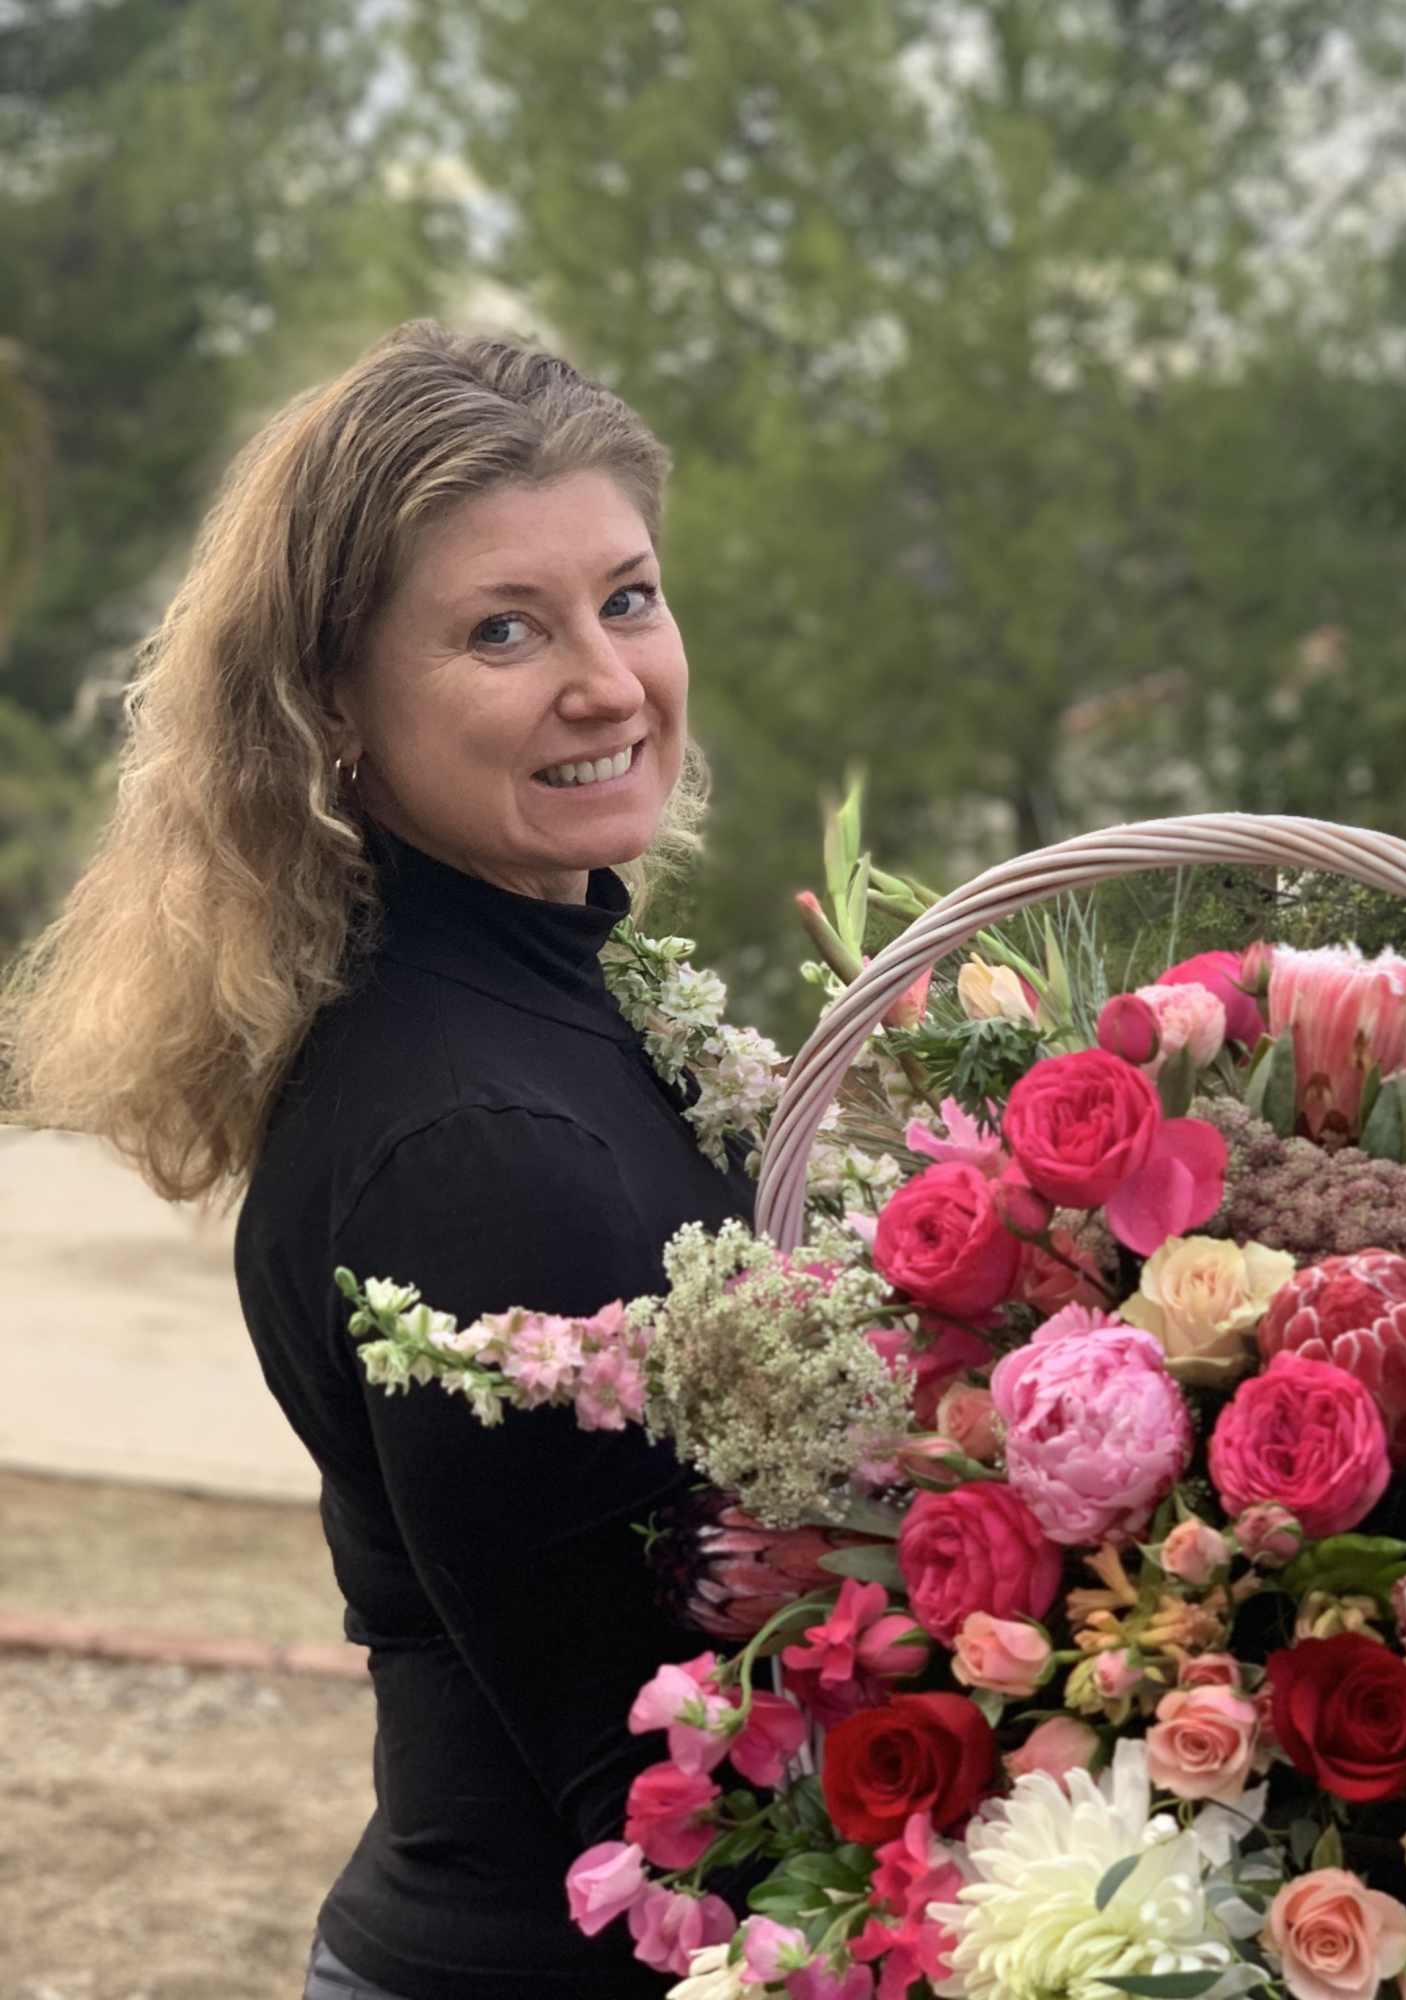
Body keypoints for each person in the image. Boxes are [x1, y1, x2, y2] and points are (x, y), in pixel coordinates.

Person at [2, 322, 749, 1998]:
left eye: (627, 597)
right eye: (504, 630)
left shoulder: (539, 998)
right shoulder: (467, 1141)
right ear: (332, 709)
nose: (608, 683)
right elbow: (661, 1782)